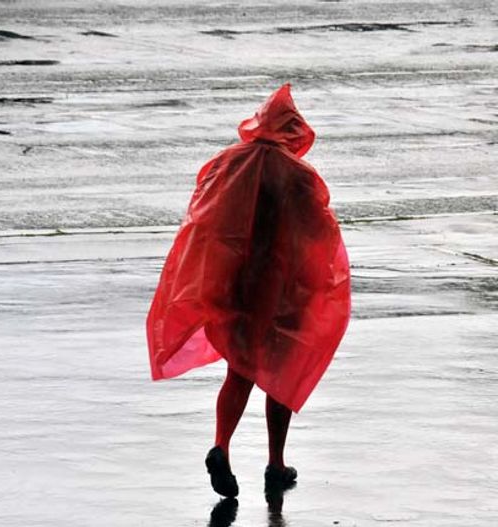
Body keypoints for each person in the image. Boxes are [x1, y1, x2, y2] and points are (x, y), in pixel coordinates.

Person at [146, 84, 351, 498]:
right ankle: (275, 463)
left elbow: (202, 220)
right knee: (282, 376)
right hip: (285, 290)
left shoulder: (226, 163)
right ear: (293, 131)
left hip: (236, 286)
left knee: (239, 370)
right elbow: (319, 234)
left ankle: (221, 445)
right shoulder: (300, 176)